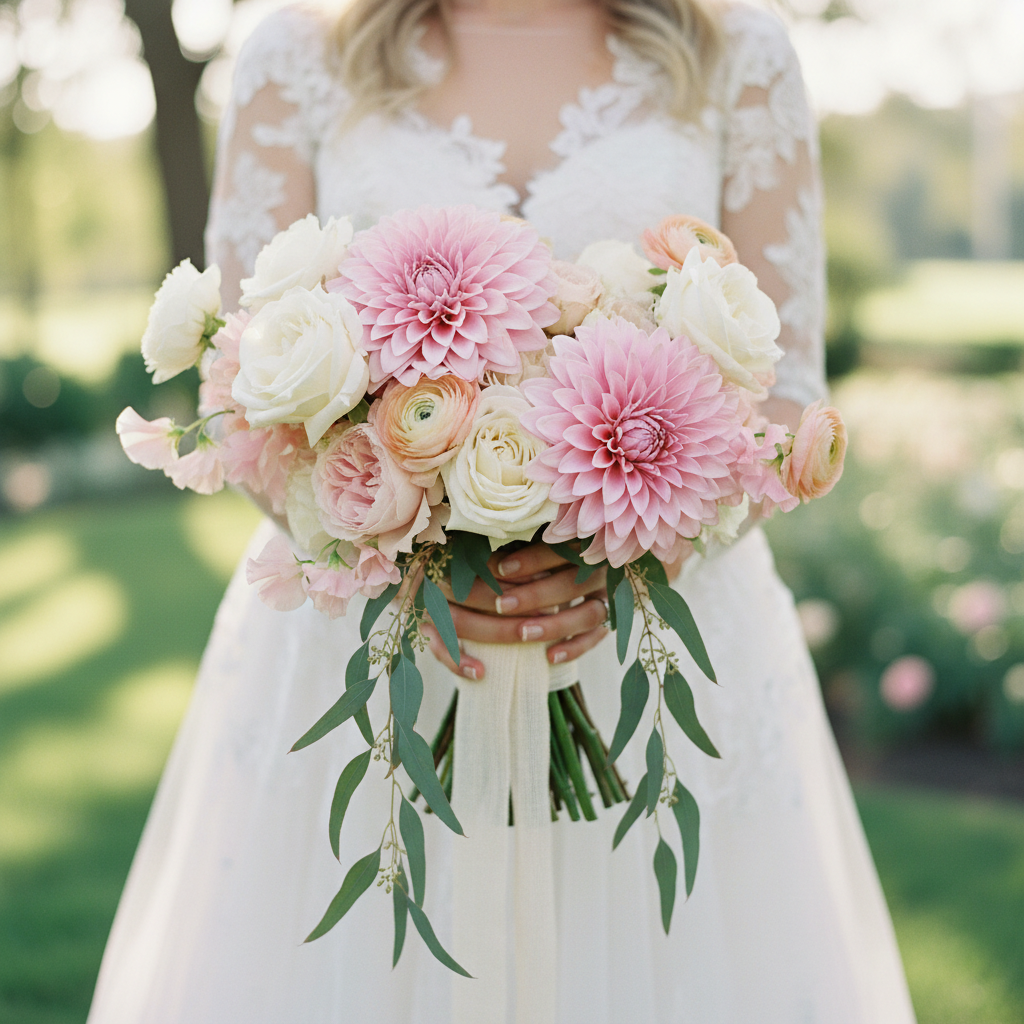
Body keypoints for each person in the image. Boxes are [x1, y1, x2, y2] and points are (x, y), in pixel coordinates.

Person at [87, 1, 919, 1021]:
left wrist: (633, 555)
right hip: (374, 639)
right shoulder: (295, 58)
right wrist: (401, 545)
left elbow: (784, 391)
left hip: (651, 636)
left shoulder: (738, 52)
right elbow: (241, 385)